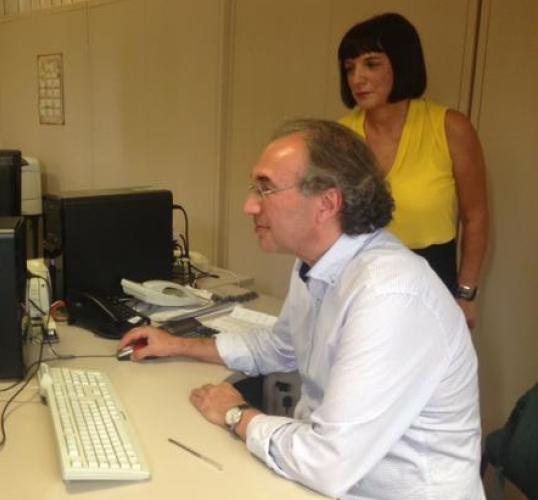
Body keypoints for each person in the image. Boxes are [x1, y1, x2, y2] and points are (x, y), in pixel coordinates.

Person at [119, 119, 484, 499]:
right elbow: (280, 347)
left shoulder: (390, 296)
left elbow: (328, 463)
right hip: (335, 480)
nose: (249, 205)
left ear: (327, 203)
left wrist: (237, 414)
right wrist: (178, 344)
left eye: (266, 188)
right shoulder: (317, 262)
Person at [337, 13, 488, 329]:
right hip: (357, 276)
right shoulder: (340, 137)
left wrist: (466, 294)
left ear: (402, 63)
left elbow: (475, 216)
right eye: (350, 68)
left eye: (371, 64)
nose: (357, 78)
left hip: (432, 275)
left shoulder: (450, 127)